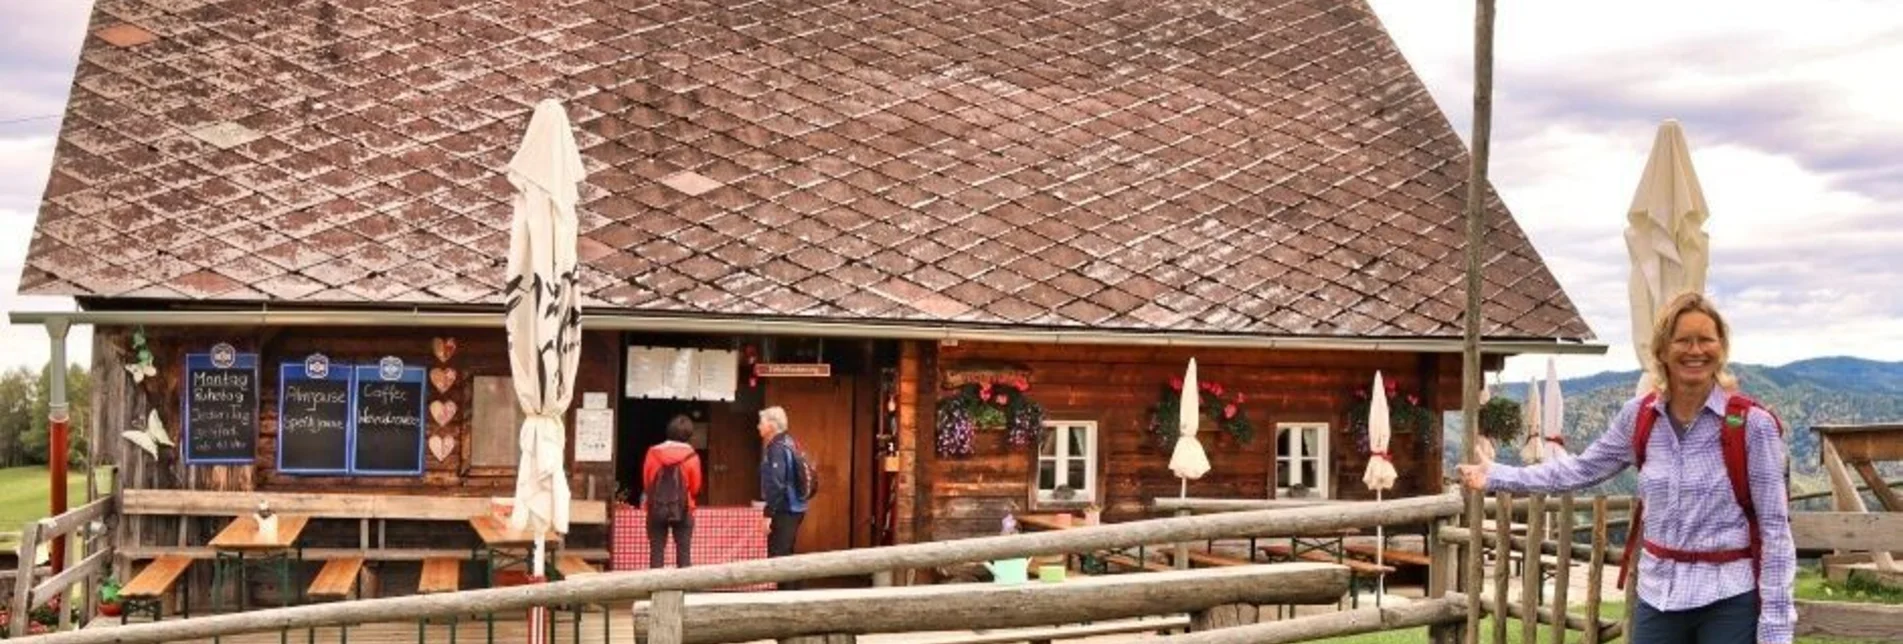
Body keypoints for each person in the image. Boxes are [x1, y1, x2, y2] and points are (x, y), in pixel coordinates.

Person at [1458, 292, 1794, 644]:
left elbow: (1774, 530)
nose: (1695, 350)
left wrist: (1775, 627)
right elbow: (1581, 469)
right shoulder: (1640, 416)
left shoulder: (1751, 425)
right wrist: (1500, 474)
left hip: (1728, 596)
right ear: (1663, 350)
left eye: (1706, 339)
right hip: (1657, 595)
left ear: (1721, 348)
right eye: (1683, 340)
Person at [642, 415, 703, 568]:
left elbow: (647, 481)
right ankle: (683, 589)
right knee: (684, 552)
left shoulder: (652, 453)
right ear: (689, 434)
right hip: (684, 507)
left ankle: (656, 588)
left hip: (656, 506)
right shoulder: (692, 456)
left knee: (656, 551)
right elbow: (696, 486)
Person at [758, 406, 807, 588]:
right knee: (786, 554)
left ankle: (788, 599)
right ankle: (793, 595)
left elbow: (777, 484)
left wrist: (768, 514)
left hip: (786, 509)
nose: (758, 427)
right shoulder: (789, 441)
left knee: (779, 558)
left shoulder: (776, 448)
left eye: (761, 422)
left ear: (771, 425)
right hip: (795, 508)